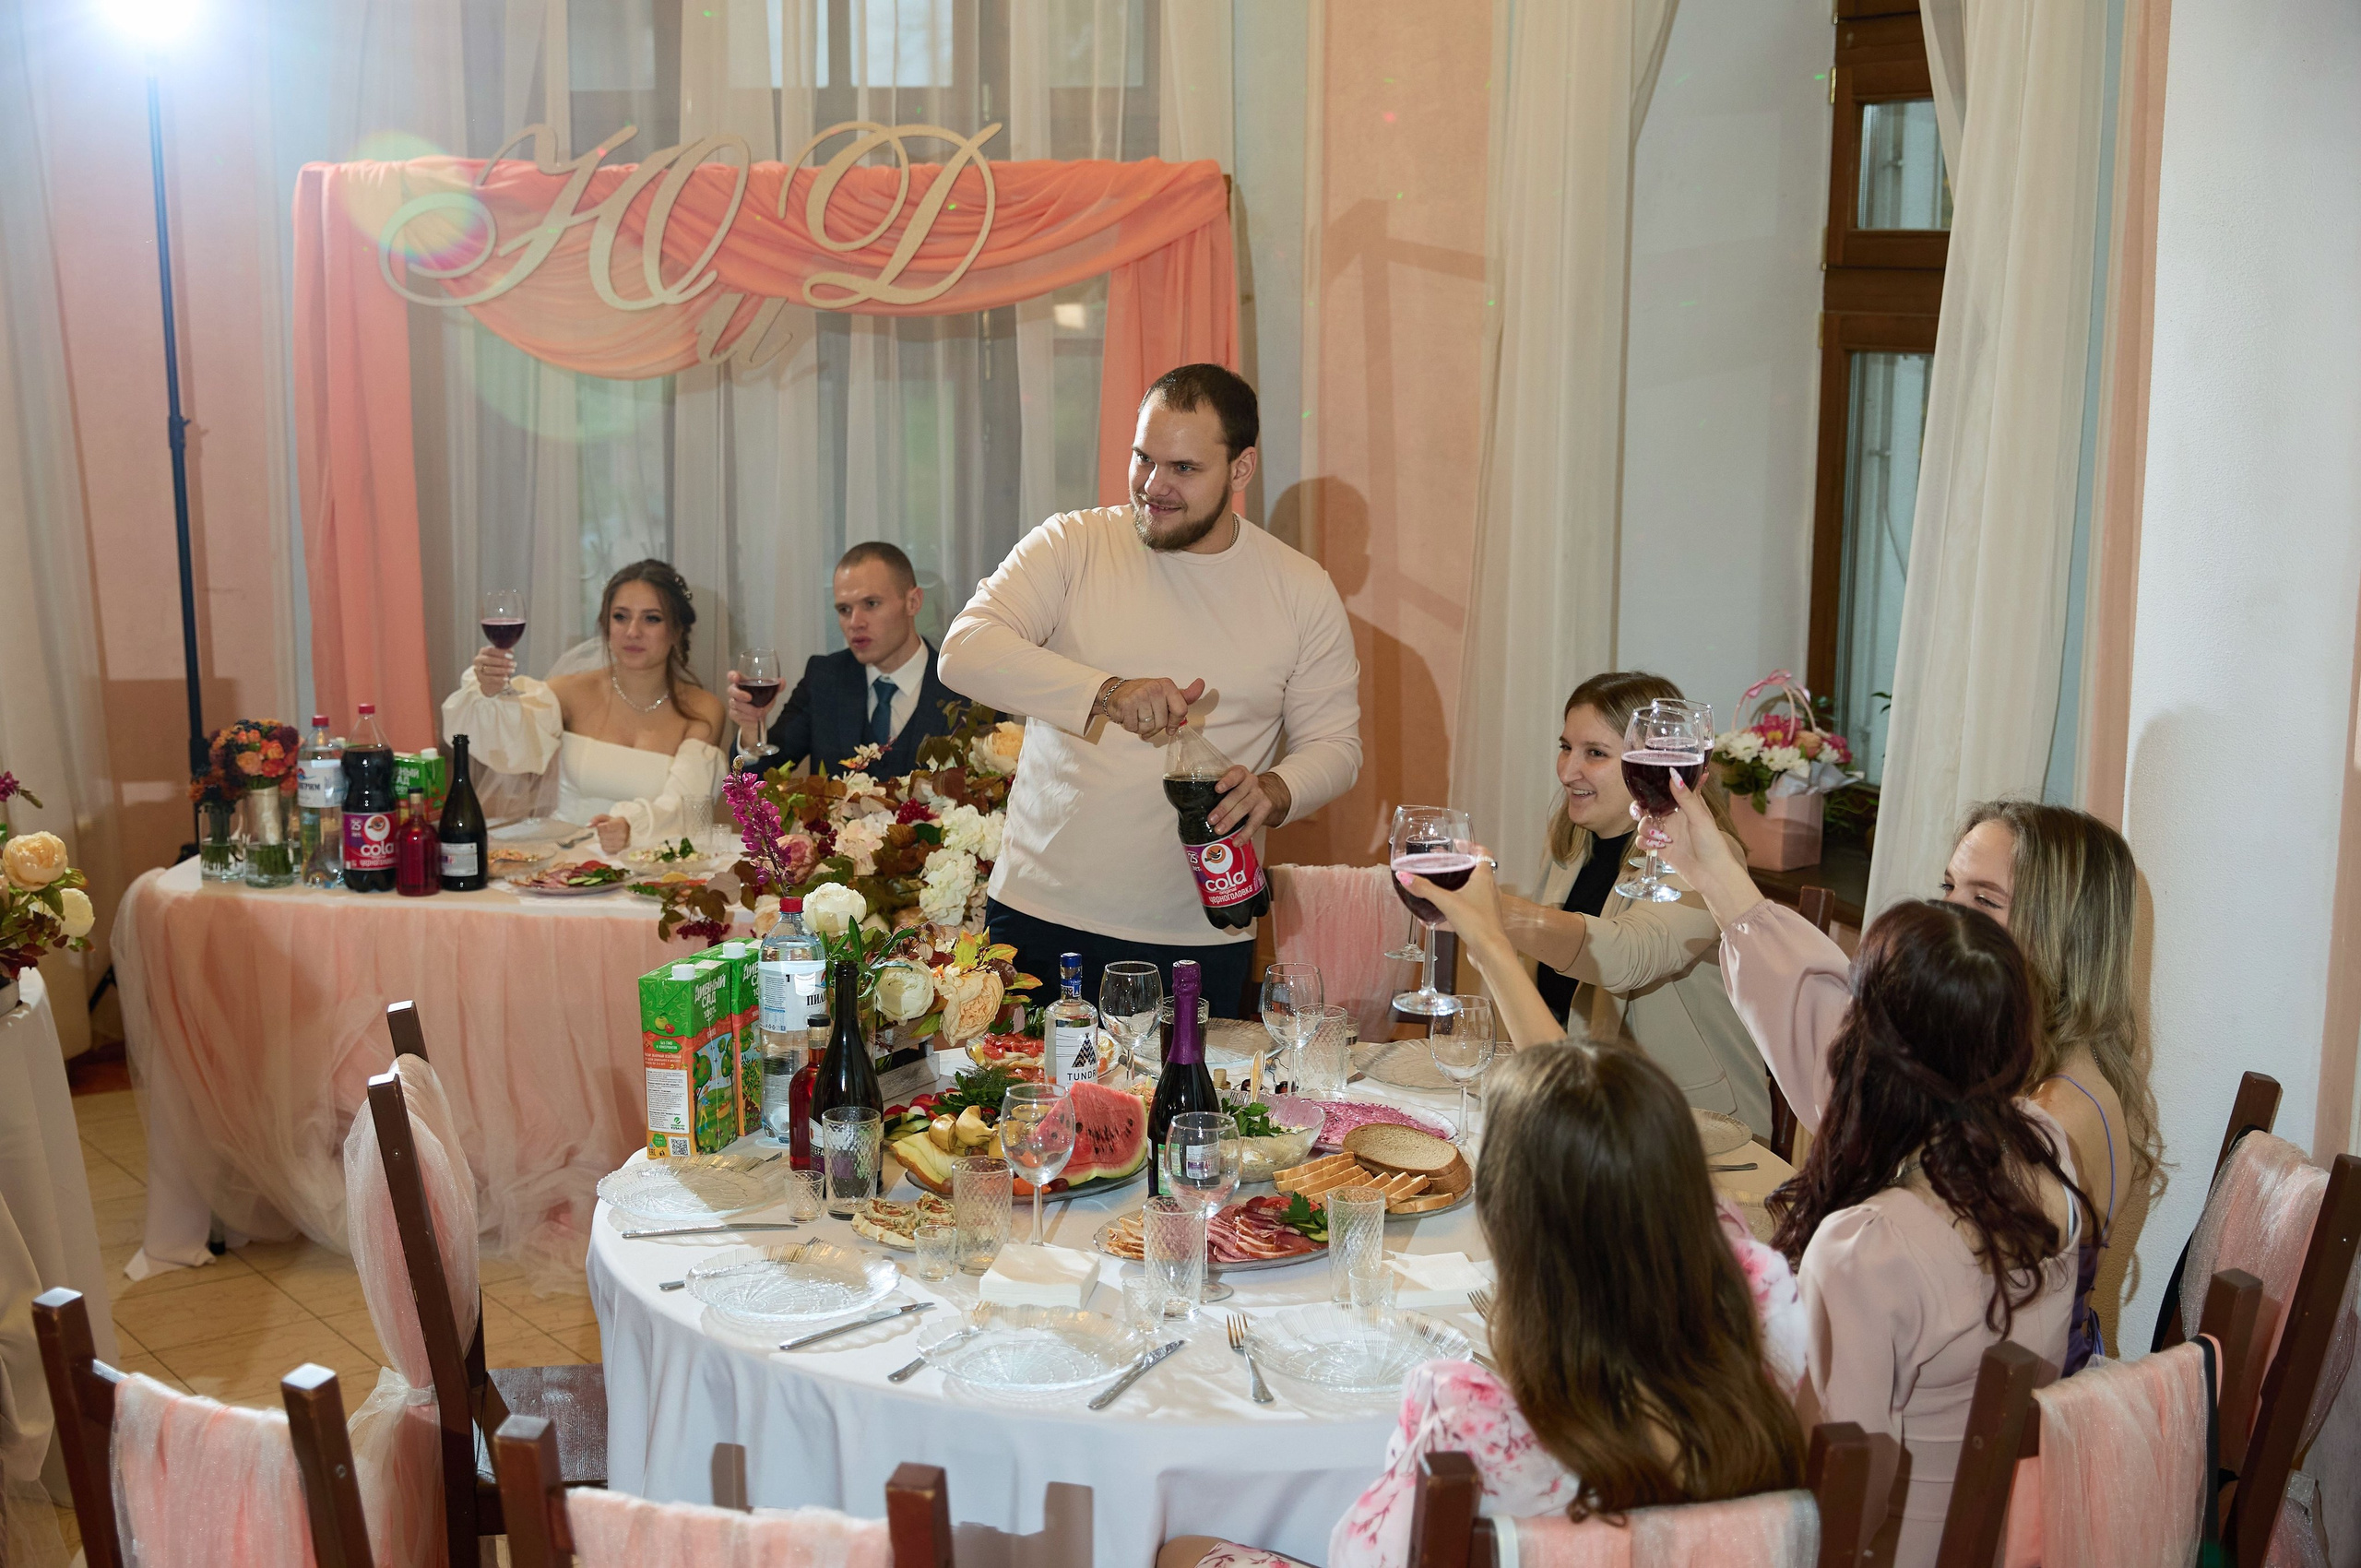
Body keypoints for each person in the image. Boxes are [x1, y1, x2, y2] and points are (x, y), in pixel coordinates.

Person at [1557, 773, 2086, 1567]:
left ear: (1866, 1045)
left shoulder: (1871, 1248)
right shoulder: (2045, 1147)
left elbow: (1838, 1493)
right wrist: (1711, 867)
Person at [1157, 1043, 1809, 1568]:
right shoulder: (1768, 1333)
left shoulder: (1471, 1415)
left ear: (1507, 1229)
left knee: (1180, 1549)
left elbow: (1356, 1552)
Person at [937, 364, 1362, 1016]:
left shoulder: (1300, 589)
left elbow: (1336, 746)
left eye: (1184, 469)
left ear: (1241, 469)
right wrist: (1106, 691)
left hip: (1199, 929)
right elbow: (964, 651)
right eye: (1143, 459)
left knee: (1183, 1120)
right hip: (1039, 913)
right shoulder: (1072, 543)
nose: (1154, 487)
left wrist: (1278, 790)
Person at [1926, 801, 2158, 1370]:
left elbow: (1950, 1309)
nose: (1946, 914)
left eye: (1985, 900)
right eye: (1949, 887)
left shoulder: (2049, 1117)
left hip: (2016, 1421)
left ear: (2062, 935)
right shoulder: (2059, 1068)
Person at [1502, 671, 1774, 1136]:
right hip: (1594, 1111)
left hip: (1694, 1130)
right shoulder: (1571, 846)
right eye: (1566, 747)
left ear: (1654, 762)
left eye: (1595, 754)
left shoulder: (1707, 855)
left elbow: (1628, 955)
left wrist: (1496, 913)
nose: (1568, 771)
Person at [444, 560, 726, 855]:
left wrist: (631, 826)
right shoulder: (567, 692)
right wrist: (492, 694)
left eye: (652, 619)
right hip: (564, 862)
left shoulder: (701, 709)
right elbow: (507, 746)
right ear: (606, 625)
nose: (632, 631)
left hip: (655, 861)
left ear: (677, 630)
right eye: (620, 617)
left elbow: (688, 806)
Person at [726, 541, 972, 780]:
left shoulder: (965, 690)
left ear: (913, 602)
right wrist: (751, 729)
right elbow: (759, 781)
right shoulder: (823, 678)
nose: (855, 623)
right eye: (844, 610)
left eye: (871, 604)